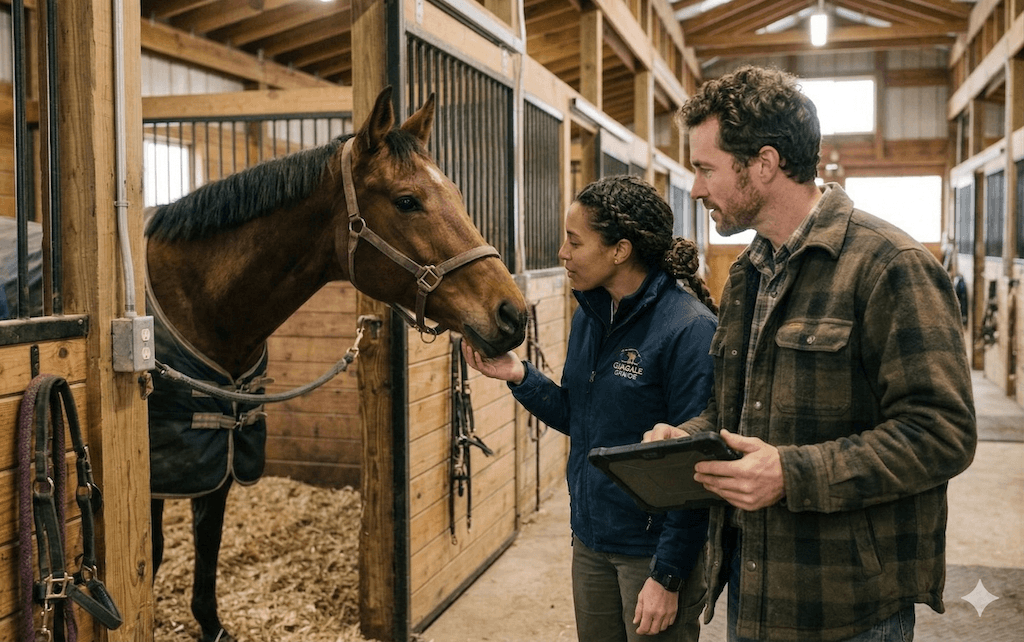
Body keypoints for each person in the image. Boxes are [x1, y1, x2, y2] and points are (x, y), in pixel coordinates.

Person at [643, 65, 977, 642]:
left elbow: (943, 432)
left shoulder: (889, 266)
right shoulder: (749, 273)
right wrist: (692, 437)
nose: (695, 189)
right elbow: (737, 413)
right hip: (753, 586)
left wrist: (793, 473)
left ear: (764, 165)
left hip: (847, 603)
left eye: (704, 169)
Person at [463, 175, 718, 641]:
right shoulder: (591, 317)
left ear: (619, 250)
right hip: (591, 540)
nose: (562, 253)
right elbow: (577, 416)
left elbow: (693, 466)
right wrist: (519, 375)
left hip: (651, 552)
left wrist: (668, 576)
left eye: (574, 241)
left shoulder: (690, 330)